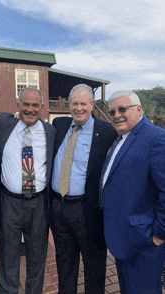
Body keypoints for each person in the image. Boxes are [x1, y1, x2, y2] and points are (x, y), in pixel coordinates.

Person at [0, 87, 56, 294]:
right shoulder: (2, 124)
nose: (30, 109)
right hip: (10, 202)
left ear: (42, 107)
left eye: (35, 105)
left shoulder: (50, 132)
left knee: (37, 255)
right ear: (18, 106)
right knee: (8, 254)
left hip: (39, 203)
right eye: (25, 104)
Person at [51, 84, 117, 294]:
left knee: (94, 264)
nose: (78, 108)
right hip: (59, 207)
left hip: (87, 209)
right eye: (75, 103)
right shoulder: (59, 125)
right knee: (64, 262)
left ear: (92, 105)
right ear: (69, 105)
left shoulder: (106, 131)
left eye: (83, 104)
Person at [101, 90, 165, 294]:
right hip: (124, 238)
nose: (116, 115)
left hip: (144, 240)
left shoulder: (155, 138)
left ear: (139, 110)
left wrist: (159, 233)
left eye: (122, 109)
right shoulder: (121, 137)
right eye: (112, 112)